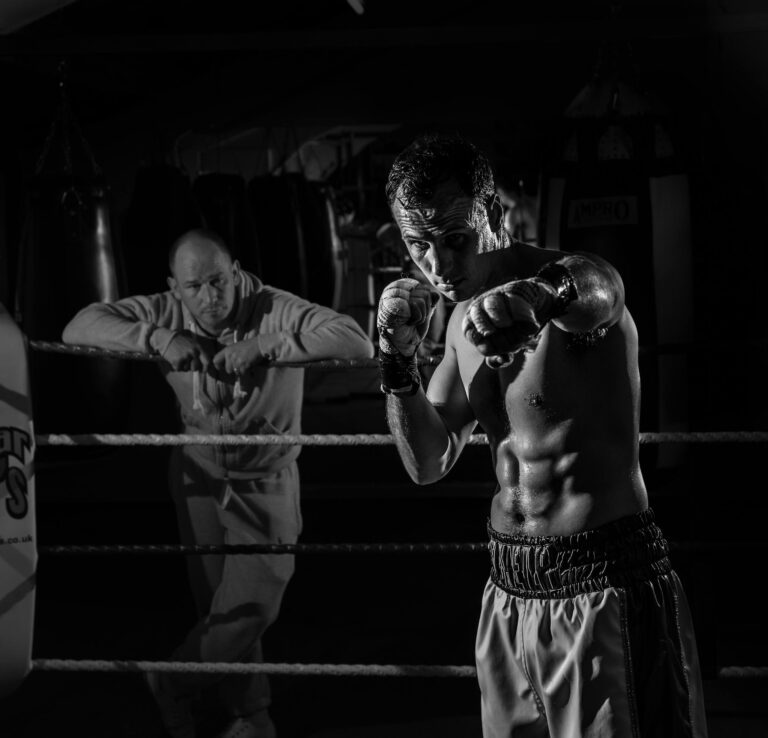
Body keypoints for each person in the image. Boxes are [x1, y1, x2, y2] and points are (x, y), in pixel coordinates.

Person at [375, 133, 708, 737]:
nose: (439, 265)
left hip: (604, 583)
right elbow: (427, 462)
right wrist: (397, 366)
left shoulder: (565, 293)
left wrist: (538, 294)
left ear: (494, 216)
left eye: (456, 240)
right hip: (508, 590)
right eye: (418, 245)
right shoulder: (453, 321)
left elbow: (602, 287)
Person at [62, 228, 374, 738]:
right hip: (197, 473)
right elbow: (79, 325)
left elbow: (356, 340)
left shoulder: (274, 307)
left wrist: (271, 346)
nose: (209, 298)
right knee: (217, 604)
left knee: (253, 607)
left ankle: (172, 681)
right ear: (174, 286)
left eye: (218, 281)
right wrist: (157, 337)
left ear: (235, 272)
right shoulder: (166, 309)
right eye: (194, 287)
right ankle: (247, 715)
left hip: (265, 477)